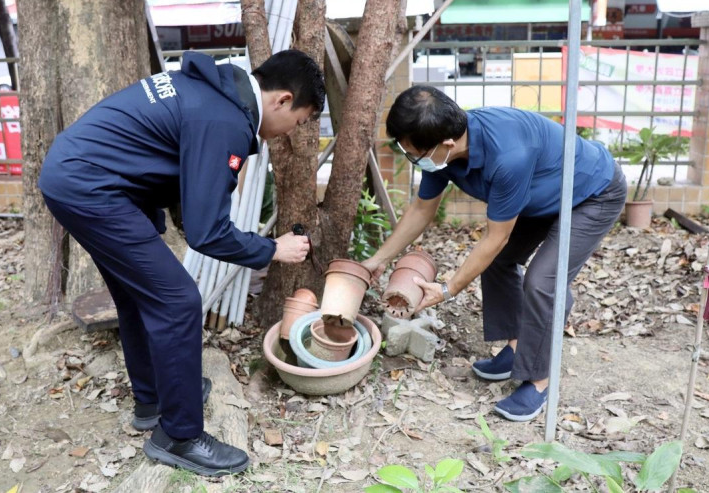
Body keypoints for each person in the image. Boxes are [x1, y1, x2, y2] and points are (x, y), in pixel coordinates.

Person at [38, 49, 325, 475]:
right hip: (91, 187)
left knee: (139, 294)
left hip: (76, 176)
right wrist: (272, 249)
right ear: (282, 100)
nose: (287, 133)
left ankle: (155, 398)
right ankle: (179, 435)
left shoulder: (210, 92)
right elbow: (207, 232)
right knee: (178, 302)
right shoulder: (223, 119)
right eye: (297, 122)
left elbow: (163, 164)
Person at [363, 85, 626, 422]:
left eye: (415, 153)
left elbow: (495, 238)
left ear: (446, 145)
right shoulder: (444, 152)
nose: (413, 159)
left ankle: (540, 380)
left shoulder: (508, 155)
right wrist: (378, 260)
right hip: (542, 195)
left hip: (591, 193)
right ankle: (518, 347)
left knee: (543, 281)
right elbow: (420, 211)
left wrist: (448, 289)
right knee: (498, 264)